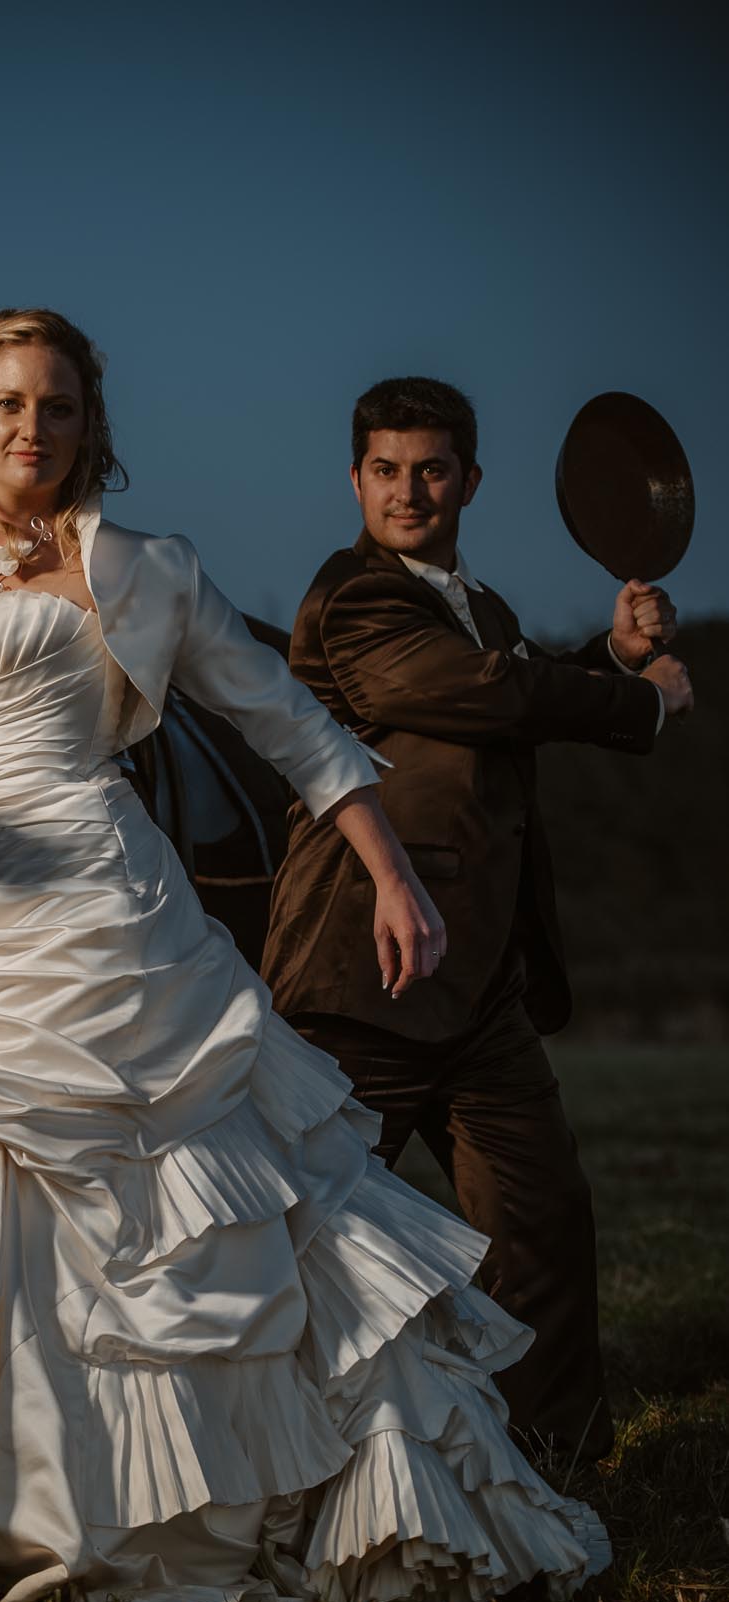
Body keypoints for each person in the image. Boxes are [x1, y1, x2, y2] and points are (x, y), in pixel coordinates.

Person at [0, 312, 610, 1602]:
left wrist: (395, 878)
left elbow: (291, 728)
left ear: (88, 429)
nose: (30, 427)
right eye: (7, 402)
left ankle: (213, 1507)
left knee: (195, 1232)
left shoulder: (143, 570)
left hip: (127, 933)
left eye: (56, 406)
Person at [264, 377, 693, 1463]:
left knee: (543, 1216)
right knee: (311, 1231)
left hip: (484, 978)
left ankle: (551, 1457)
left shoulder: (480, 606)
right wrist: (640, 703)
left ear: (469, 479)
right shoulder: (351, 600)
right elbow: (484, 695)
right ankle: (280, 1458)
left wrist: (611, 657)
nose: (409, 490)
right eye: (385, 469)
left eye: (432, 468)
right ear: (354, 479)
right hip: (369, 964)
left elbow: (510, 682)